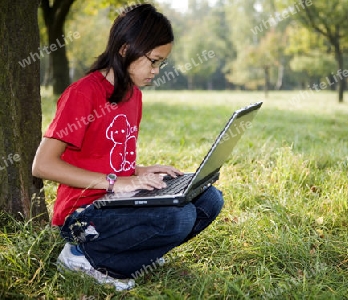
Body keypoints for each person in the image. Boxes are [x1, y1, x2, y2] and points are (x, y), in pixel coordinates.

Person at [32, 4, 224, 291]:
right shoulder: (83, 94)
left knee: (209, 199)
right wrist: (115, 182)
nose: (156, 71)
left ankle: (135, 256)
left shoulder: (133, 95)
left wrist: (140, 172)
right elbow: (43, 165)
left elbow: (101, 154)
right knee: (179, 216)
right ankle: (80, 256)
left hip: (116, 201)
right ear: (125, 50)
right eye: (154, 61)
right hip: (82, 214)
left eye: (162, 63)